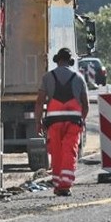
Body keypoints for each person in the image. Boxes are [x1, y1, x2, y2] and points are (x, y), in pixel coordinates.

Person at [34, 48, 89, 196]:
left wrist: (38, 122)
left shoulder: (47, 77)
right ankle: (65, 185)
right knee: (69, 152)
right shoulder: (79, 78)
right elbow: (86, 104)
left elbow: (39, 102)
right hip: (73, 122)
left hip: (54, 122)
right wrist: (82, 120)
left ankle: (58, 184)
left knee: (57, 153)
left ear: (57, 60)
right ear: (70, 62)